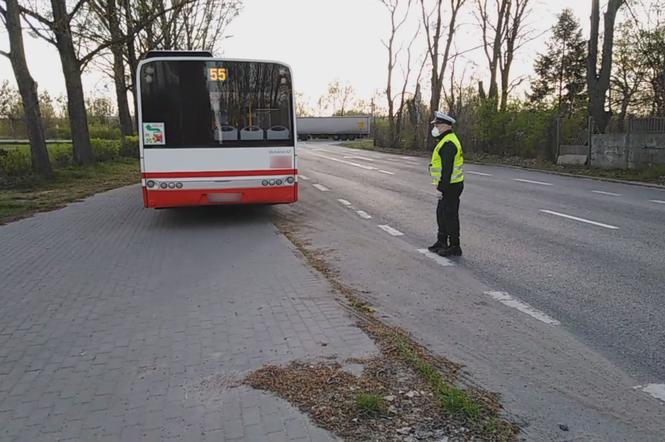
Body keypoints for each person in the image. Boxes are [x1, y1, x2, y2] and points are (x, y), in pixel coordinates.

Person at [427, 111, 464, 257]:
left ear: (444, 126)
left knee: (450, 216)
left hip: (451, 186)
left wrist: (441, 188)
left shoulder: (449, 143)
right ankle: (441, 242)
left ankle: (454, 246)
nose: (435, 127)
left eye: (437, 124)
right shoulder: (445, 140)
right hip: (449, 185)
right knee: (441, 214)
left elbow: (447, 169)